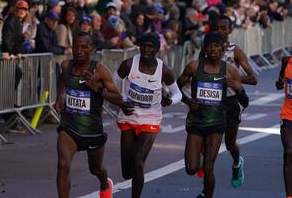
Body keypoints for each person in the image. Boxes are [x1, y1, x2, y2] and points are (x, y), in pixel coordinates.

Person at [54, 32, 133, 198]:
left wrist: (97, 87)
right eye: (75, 46)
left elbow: (118, 98)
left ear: (92, 49)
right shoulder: (66, 65)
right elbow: (62, 79)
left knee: (95, 169)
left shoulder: (100, 71)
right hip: (69, 127)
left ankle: (105, 183)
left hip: (92, 130)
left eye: (84, 47)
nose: (79, 51)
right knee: (63, 164)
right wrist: (59, 97)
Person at [177, 32, 247, 198]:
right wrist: (188, 101)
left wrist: (237, 88)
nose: (213, 49)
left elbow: (245, 100)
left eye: (217, 46)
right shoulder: (194, 67)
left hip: (216, 123)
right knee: (191, 168)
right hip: (196, 122)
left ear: (223, 50)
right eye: (210, 46)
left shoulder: (229, 71)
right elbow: (176, 87)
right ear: (204, 48)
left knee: (208, 167)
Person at [114, 32, 182, 198]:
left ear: (157, 49)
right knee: (127, 172)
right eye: (143, 45)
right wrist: (122, 100)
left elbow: (177, 93)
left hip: (150, 118)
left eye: (150, 47)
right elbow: (111, 82)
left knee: (138, 162)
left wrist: (170, 101)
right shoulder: (129, 64)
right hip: (129, 117)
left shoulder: (163, 70)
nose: (146, 49)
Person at [203, 15, 257, 188]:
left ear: (230, 30)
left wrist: (236, 80)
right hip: (211, 100)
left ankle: (236, 163)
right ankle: (207, 187)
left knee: (230, 143)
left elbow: (253, 79)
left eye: (224, 28)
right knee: (208, 141)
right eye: (217, 27)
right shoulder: (207, 49)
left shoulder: (235, 51)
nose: (220, 31)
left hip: (231, 101)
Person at [275, 31, 292, 198]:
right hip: (290, 116)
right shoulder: (286, 61)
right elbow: (280, 81)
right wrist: (279, 83)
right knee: (289, 153)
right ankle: (289, 196)